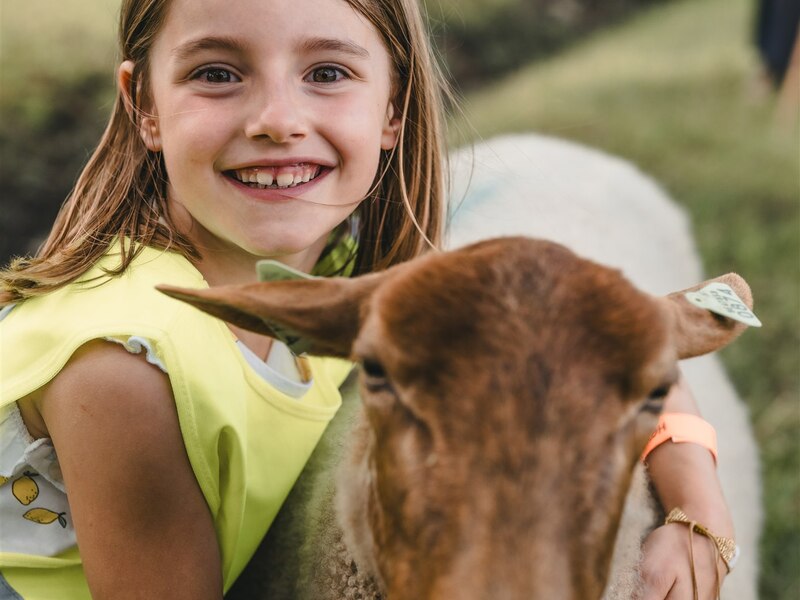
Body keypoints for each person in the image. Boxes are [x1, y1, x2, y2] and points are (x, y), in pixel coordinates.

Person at [0, 0, 735, 598]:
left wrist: (698, 510)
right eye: (218, 73)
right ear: (145, 107)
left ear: (393, 107)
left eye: (325, 71)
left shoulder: (342, 269)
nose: (276, 120)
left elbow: (601, 346)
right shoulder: (124, 368)